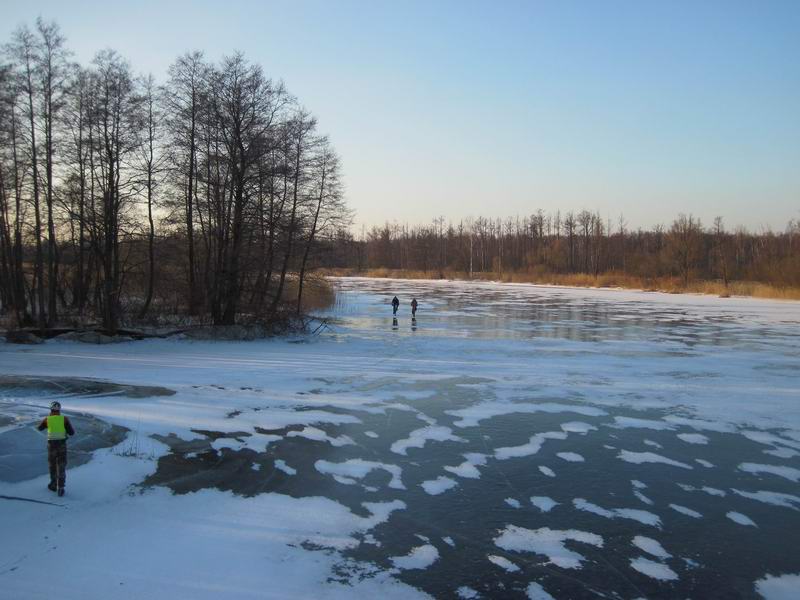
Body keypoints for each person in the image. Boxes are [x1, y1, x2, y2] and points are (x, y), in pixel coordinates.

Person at [37, 401, 75, 497]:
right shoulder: (64, 419)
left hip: (51, 446)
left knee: (52, 465)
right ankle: (61, 487)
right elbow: (71, 433)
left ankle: (53, 484)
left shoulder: (47, 419)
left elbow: (39, 428)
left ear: (51, 409)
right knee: (61, 465)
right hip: (62, 445)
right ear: (59, 410)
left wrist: (48, 423)